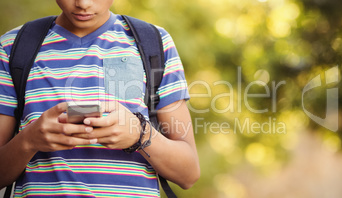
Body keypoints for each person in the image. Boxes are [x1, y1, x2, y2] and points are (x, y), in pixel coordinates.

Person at [0, 0, 200, 197]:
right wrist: (28, 141)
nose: (83, 4)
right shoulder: (13, 48)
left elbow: (188, 174)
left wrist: (139, 135)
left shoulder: (154, 43)